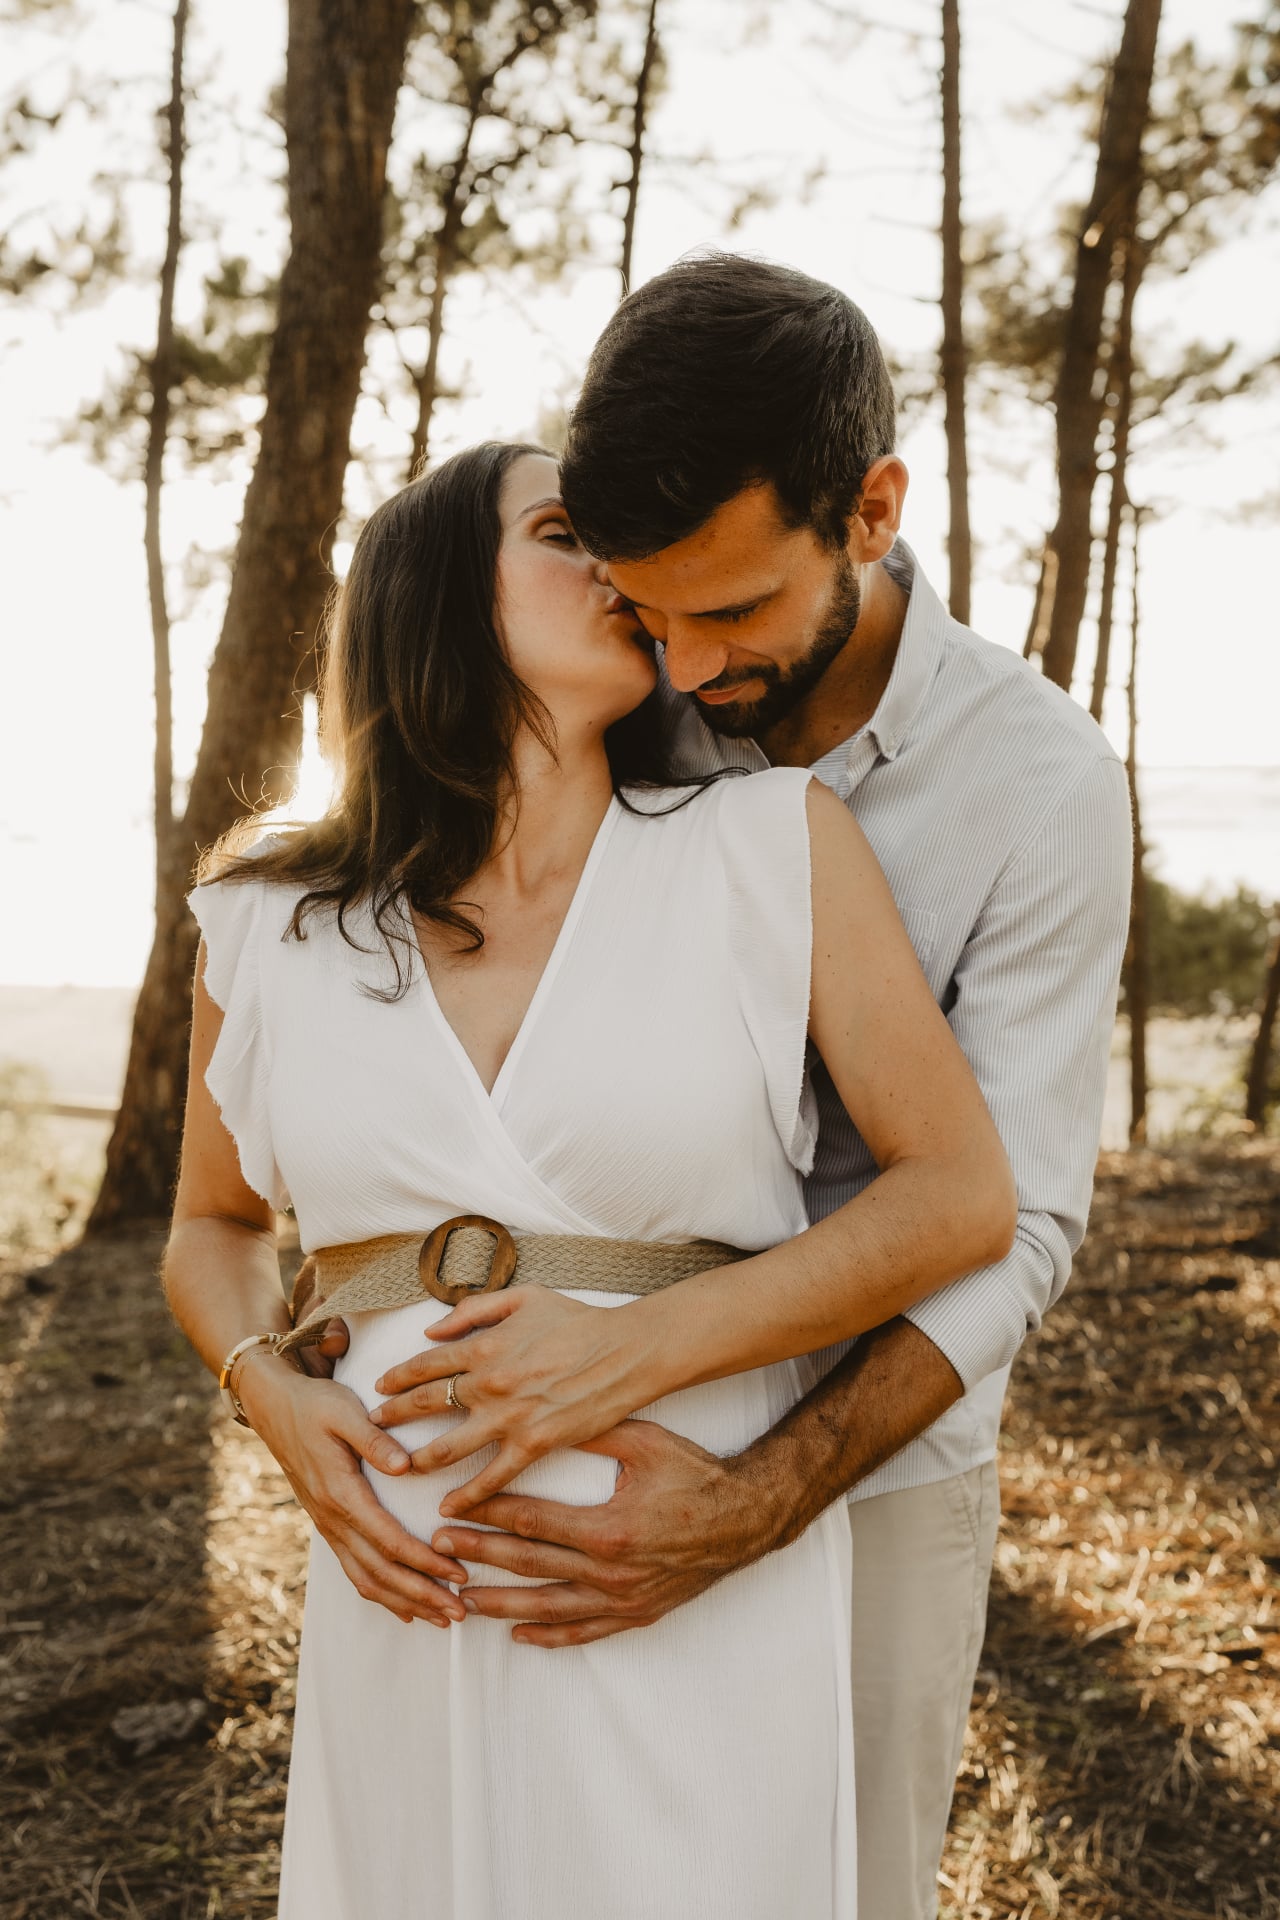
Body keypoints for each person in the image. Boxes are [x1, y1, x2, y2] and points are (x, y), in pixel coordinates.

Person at [163, 438, 1016, 1919]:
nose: (620, 567)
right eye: (566, 531)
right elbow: (211, 1225)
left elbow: (956, 1193)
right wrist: (274, 1396)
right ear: (430, 589)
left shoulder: (771, 846)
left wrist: (625, 1356)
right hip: (404, 1574)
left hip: (673, 1541)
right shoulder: (266, 919)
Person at [405, 257, 1134, 1919]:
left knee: (844, 1884)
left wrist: (761, 1497)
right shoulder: (623, 705)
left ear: (869, 512)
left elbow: (1010, 1226)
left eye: (729, 613)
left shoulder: (1037, 785)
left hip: (871, 1473)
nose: (680, 670)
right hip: (579, 1442)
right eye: (645, 612)